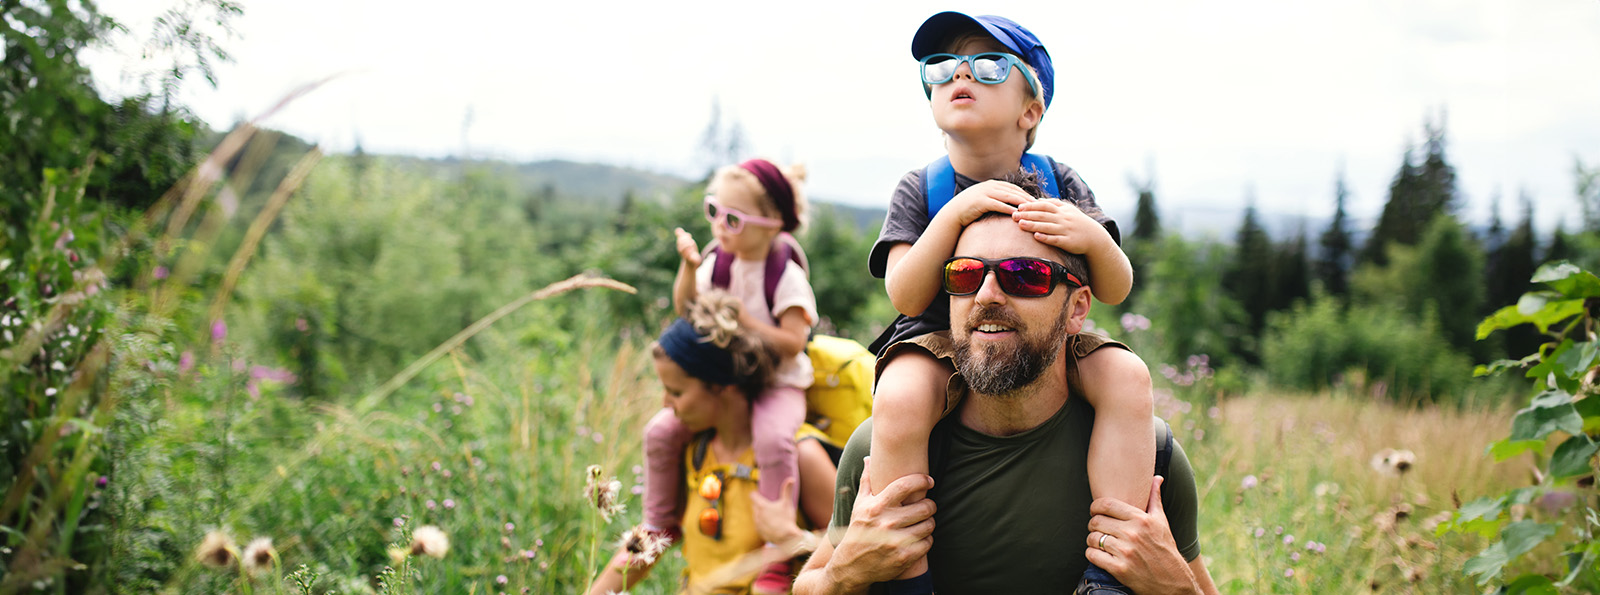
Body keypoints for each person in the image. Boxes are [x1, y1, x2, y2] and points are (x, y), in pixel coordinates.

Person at [797, 171, 1220, 595]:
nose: (986, 295)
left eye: (1025, 275)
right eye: (964, 275)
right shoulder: (885, 447)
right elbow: (810, 584)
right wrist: (841, 575)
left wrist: (1177, 588)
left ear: (1077, 309)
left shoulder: (1150, 457)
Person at [866, 11, 1147, 593]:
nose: (959, 75)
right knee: (899, 396)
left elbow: (1116, 288)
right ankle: (903, 573)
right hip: (938, 328)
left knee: (1127, 376)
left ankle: (1110, 566)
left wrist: (1091, 236)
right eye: (940, 67)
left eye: (990, 66)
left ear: (1031, 111)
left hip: (1044, 322)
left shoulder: (1059, 181)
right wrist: (954, 218)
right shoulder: (923, 188)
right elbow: (906, 293)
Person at [642, 158, 818, 592]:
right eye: (713, 212)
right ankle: (657, 525)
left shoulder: (785, 275)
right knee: (660, 432)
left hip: (778, 381)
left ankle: (775, 549)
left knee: (775, 439)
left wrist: (745, 322)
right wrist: (687, 268)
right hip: (731, 380)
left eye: (734, 219)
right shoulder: (717, 262)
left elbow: (794, 341)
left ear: (773, 223)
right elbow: (687, 309)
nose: (720, 226)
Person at [591, 293, 837, 595]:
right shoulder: (693, 453)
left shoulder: (801, 456)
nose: (666, 404)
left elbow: (857, 550)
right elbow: (653, 537)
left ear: (722, 386)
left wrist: (794, 538)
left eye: (677, 392)